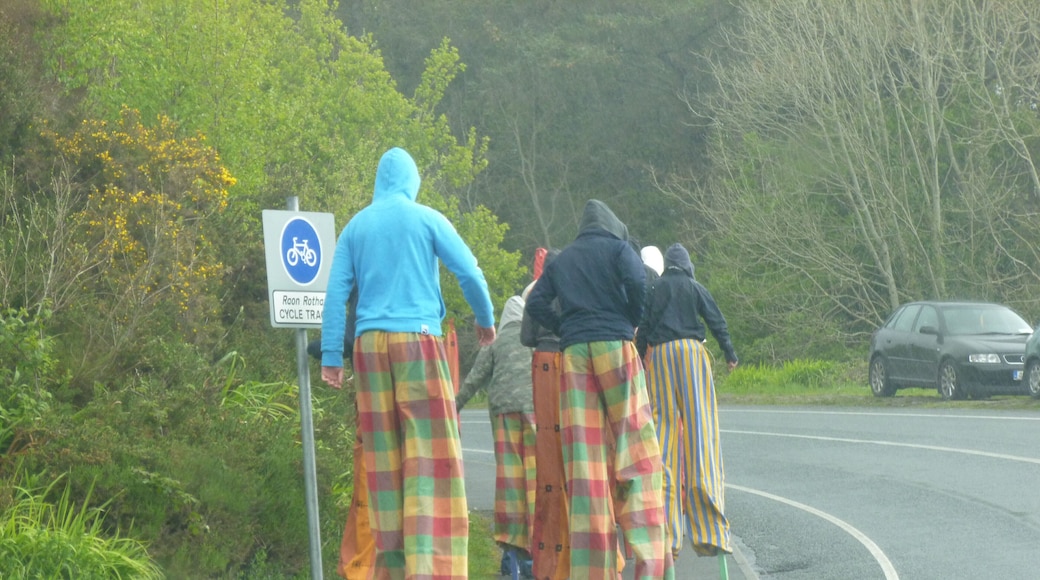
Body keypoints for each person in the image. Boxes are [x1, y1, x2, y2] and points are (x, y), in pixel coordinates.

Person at [321, 146, 497, 579]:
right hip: (417, 340)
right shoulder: (427, 218)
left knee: (384, 463)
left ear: (379, 181)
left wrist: (330, 355)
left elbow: (334, 294)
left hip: (368, 349)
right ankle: (432, 570)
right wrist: (485, 320)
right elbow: (470, 273)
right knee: (431, 458)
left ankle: (394, 570)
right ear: (412, 181)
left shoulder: (356, 227)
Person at [525, 199, 673, 580]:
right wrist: (630, 321)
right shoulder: (619, 248)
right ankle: (652, 568)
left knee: (585, 470)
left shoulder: (563, 259)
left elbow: (536, 301)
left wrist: (564, 327)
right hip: (615, 347)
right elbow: (639, 281)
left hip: (574, 355)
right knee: (637, 454)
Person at [636, 243, 738, 560]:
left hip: (662, 356)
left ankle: (667, 535)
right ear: (688, 266)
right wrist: (729, 352)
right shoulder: (694, 287)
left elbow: (644, 326)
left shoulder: (655, 289)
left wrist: (640, 359)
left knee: (664, 438)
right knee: (700, 433)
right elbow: (716, 319)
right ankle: (710, 533)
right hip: (692, 353)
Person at [456, 295, 536, 578]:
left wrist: (452, 407)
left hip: (504, 415)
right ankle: (536, 554)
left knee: (510, 485)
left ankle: (511, 555)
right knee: (535, 484)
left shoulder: (496, 342)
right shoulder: (534, 337)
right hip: (534, 413)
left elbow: (473, 379)